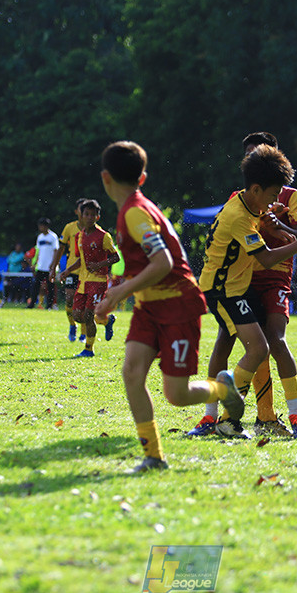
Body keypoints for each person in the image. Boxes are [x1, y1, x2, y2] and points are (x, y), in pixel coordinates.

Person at [92, 141, 242, 473]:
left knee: (176, 394)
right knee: (132, 373)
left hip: (177, 307)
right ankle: (154, 456)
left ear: (105, 178)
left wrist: (118, 294)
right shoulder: (131, 209)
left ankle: (222, 388)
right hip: (149, 309)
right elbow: (143, 266)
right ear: (142, 177)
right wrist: (117, 292)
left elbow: (163, 262)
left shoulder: (135, 211)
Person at [193, 144, 297, 440]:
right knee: (255, 348)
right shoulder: (239, 216)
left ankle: (229, 418)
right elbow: (267, 257)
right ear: (256, 188)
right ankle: (226, 404)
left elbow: (264, 225)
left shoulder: (250, 206)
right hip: (222, 291)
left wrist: (273, 219)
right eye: (272, 196)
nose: (274, 201)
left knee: (261, 347)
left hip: (237, 287)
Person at [59, 199, 119, 357]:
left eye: (93, 215)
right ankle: (107, 321)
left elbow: (116, 257)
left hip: (98, 282)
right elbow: (81, 259)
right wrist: (67, 271)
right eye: (86, 214)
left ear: (98, 217)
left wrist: (100, 265)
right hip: (83, 281)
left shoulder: (104, 236)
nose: (89, 217)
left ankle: (88, 349)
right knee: (77, 315)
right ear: (81, 215)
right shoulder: (79, 236)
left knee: (87, 315)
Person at [52, 200, 89, 342]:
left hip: (87, 272)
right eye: (81, 210)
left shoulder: (94, 230)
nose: (84, 213)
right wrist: (53, 267)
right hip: (71, 270)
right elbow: (61, 248)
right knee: (69, 299)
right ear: (77, 211)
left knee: (85, 304)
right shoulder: (69, 228)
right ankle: (72, 325)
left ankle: (84, 333)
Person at [28, 218, 59, 309]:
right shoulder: (40, 237)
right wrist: (34, 263)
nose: (40, 227)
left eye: (42, 226)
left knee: (50, 288)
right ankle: (32, 303)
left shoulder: (53, 237)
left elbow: (56, 250)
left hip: (49, 267)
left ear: (46, 226)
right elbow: (38, 251)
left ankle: (49, 305)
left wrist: (53, 264)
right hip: (40, 266)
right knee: (35, 286)